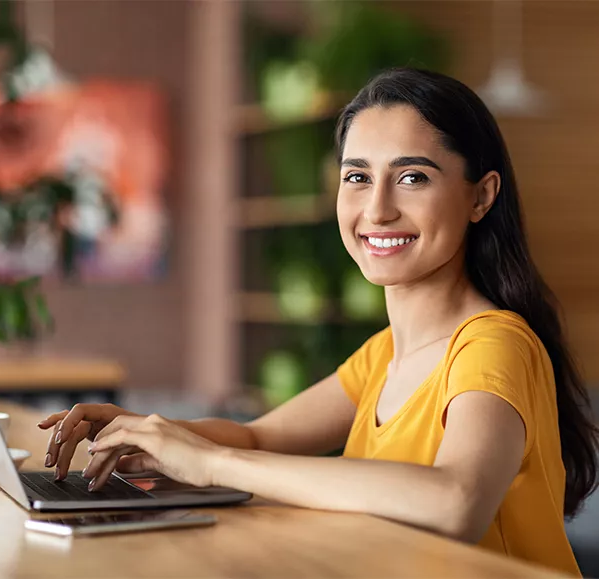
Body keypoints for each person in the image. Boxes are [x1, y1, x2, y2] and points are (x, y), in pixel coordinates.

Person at [38, 68, 597, 575]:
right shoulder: (386, 354)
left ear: (481, 196)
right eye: (357, 177)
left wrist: (211, 462)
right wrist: (143, 430)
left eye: (412, 178)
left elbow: (456, 502)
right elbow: (261, 435)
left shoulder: (494, 344)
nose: (376, 209)